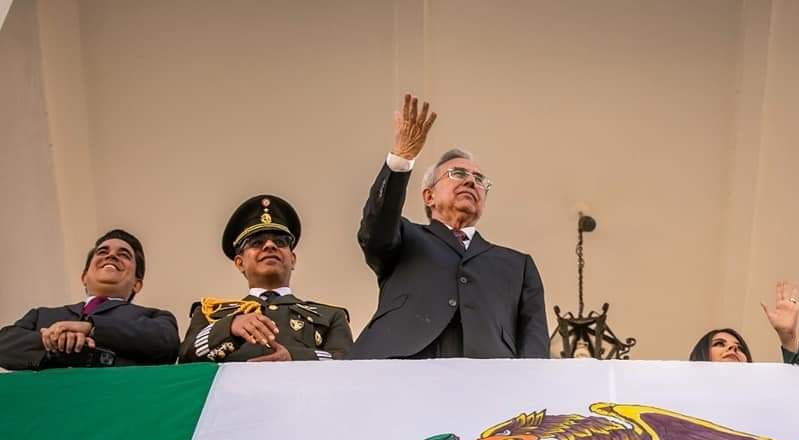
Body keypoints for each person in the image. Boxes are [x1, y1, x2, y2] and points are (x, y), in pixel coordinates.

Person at [349, 94, 548, 359]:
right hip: (399, 372)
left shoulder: (518, 265)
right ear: (429, 196)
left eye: (479, 179)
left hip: (490, 381)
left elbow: (534, 341)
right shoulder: (404, 237)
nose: (470, 182)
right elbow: (376, 226)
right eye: (458, 174)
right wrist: (401, 159)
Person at [179, 195, 353, 362]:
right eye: (256, 243)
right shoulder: (209, 313)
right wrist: (229, 327)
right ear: (240, 263)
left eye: (280, 242)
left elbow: (349, 362)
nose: (270, 246)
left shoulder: (331, 316)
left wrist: (294, 357)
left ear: (292, 259)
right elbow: (186, 359)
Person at [0, 229, 179, 369]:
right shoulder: (41, 316)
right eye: (102, 251)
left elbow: (167, 344)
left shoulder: (155, 318)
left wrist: (92, 329)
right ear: (84, 276)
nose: (111, 256)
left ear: (137, 284)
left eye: (124, 254)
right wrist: (60, 343)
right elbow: (4, 345)